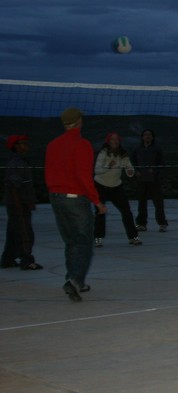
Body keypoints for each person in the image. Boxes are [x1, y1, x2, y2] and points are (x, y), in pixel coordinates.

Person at [45, 107, 107, 302]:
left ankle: (75, 280)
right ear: (79, 121)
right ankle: (73, 281)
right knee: (83, 241)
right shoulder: (82, 145)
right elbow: (83, 177)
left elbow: (48, 173)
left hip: (56, 197)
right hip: (75, 198)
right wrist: (97, 201)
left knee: (71, 240)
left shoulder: (53, 145)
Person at [93, 132, 141, 247]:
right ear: (108, 142)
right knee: (100, 212)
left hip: (116, 186)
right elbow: (97, 171)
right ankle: (98, 238)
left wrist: (130, 172)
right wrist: (108, 166)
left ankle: (133, 237)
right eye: (112, 140)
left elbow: (129, 167)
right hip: (101, 185)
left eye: (117, 140)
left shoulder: (123, 154)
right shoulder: (103, 153)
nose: (115, 142)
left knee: (126, 212)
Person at [2, 134, 42, 270]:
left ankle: (7, 259)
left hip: (19, 203)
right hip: (18, 204)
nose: (26, 146)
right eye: (23, 143)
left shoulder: (21, 161)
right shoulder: (16, 163)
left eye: (26, 143)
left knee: (13, 231)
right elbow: (12, 185)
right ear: (16, 146)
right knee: (25, 232)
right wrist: (19, 204)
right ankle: (26, 260)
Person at [130, 129, 169, 232]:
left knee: (158, 203)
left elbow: (162, 163)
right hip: (141, 179)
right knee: (142, 203)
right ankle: (141, 224)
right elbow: (131, 162)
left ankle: (162, 223)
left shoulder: (157, 149)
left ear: (152, 137)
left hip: (154, 180)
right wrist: (136, 170)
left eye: (149, 135)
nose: (147, 136)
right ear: (142, 137)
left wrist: (154, 170)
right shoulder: (137, 149)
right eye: (145, 135)